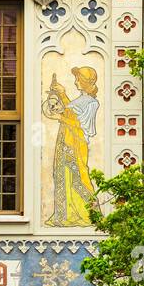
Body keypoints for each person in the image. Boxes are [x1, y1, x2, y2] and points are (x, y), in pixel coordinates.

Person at [43, 66, 99, 226]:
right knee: (62, 176)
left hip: (75, 145)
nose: (76, 82)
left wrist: (61, 113)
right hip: (65, 141)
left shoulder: (91, 103)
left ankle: (90, 215)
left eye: (78, 79)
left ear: (88, 82)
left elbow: (80, 125)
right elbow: (69, 113)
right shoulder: (80, 100)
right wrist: (60, 94)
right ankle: (62, 216)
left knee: (78, 178)